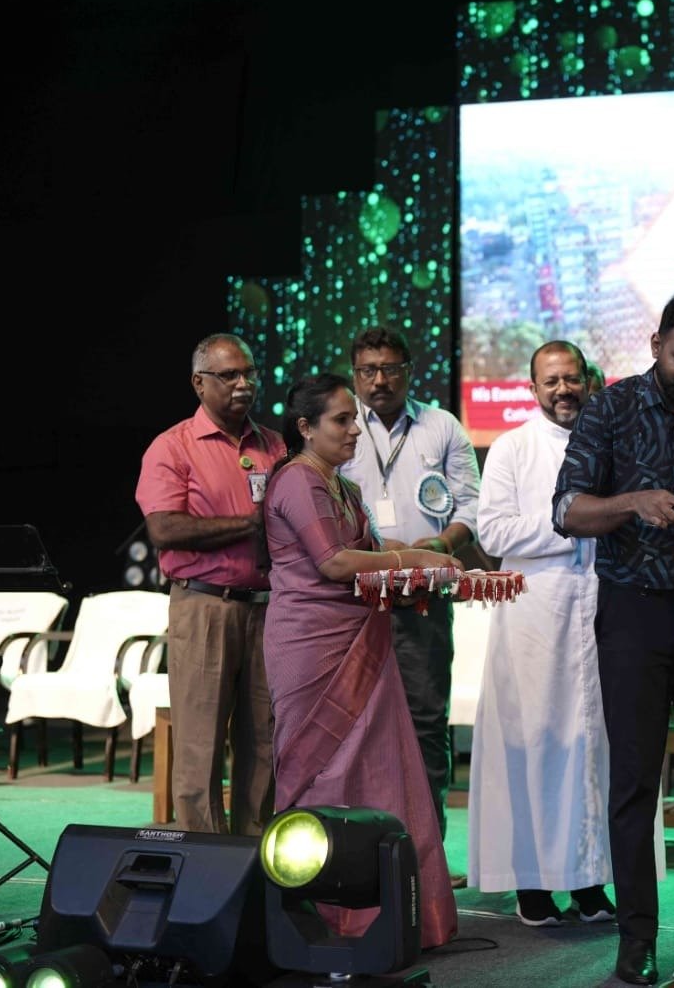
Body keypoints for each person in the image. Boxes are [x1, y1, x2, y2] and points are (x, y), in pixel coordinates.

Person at [552, 295, 674, 986]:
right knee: (635, 782)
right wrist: (636, 501)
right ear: (657, 342)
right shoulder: (610, 408)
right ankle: (636, 942)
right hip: (632, 613)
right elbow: (566, 510)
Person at [262, 373, 463, 950]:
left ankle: (386, 913)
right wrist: (417, 559)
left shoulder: (342, 486)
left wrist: (422, 564)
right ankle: (322, 915)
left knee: (380, 767)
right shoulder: (297, 480)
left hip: (363, 638)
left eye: (354, 419)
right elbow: (331, 561)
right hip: (312, 645)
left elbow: (372, 553)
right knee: (322, 770)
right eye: (341, 420)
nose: (354, 430)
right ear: (305, 427)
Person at [469, 339, 617, 926]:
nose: (563, 390)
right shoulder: (513, 447)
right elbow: (494, 532)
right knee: (536, 745)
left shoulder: (610, 441)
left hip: (601, 608)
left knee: (593, 746)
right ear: (532, 389)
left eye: (571, 379)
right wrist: (574, 524)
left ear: (588, 382)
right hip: (535, 614)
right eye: (550, 381)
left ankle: (588, 881)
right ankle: (532, 884)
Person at [340, 326, 481, 883]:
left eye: (390, 369)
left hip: (424, 596)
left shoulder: (441, 426)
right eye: (368, 370)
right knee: (357, 723)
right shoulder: (339, 425)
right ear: (354, 375)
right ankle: (359, 857)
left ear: (409, 372)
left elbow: (471, 504)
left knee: (425, 722)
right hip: (353, 601)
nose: (379, 380)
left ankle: (427, 859)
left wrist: (443, 545)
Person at [135, 332, 284, 835]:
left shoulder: (273, 445)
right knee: (200, 744)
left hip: (268, 608)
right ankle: (203, 859)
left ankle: (255, 856)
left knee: (263, 742)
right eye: (229, 375)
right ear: (200, 383)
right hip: (205, 607)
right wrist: (249, 525)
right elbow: (165, 529)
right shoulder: (172, 446)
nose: (244, 384)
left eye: (249, 373)